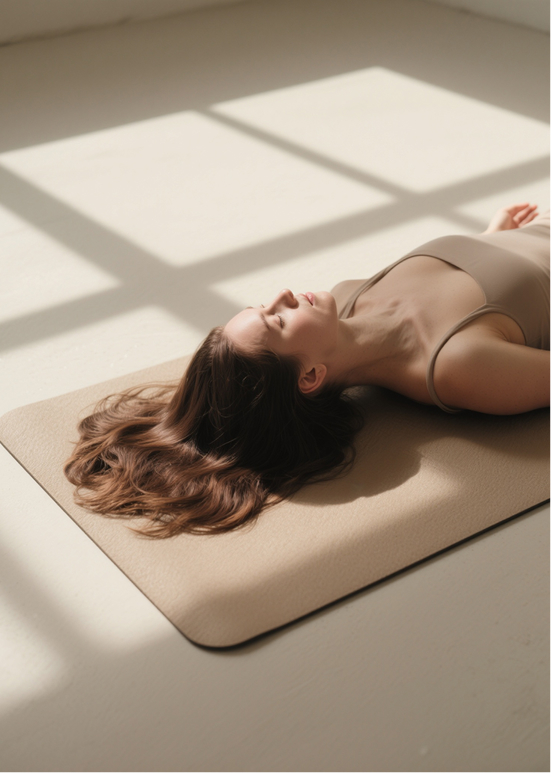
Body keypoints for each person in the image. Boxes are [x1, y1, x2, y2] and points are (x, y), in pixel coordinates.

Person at [65, 203, 550, 538]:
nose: (282, 294)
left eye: (263, 305)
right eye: (277, 319)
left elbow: (489, 282)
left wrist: (495, 235)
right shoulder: (456, 367)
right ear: (310, 377)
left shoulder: (352, 292)